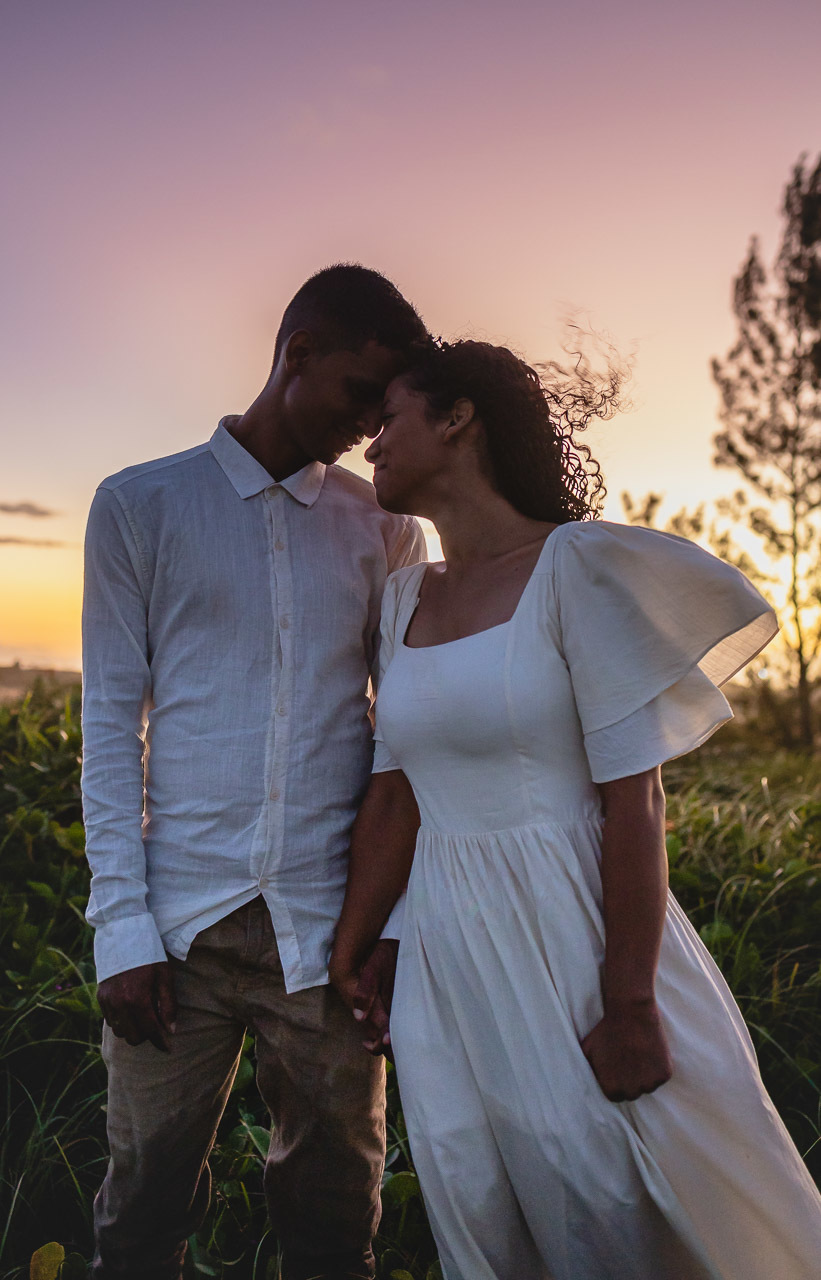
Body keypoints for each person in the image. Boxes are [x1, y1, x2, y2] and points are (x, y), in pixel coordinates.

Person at [329, 338, 821, 1280]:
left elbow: (634, 800)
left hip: (575, 936)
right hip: (446, 952)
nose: (370, 444)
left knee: (613, 1197)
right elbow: (397, 792)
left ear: (456, 418)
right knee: (478, 1195)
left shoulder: (573, 569)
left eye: (388, 417)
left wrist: (631, 1001)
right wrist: (361, 946)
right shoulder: (401, 602)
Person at [81, 264, 429, 1280]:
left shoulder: (386, 527)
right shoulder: (139, 504)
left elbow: (401, 741)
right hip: (175, 929)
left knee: (335, 1227)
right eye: (359, 390)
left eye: (389, 402)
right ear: (298, 351)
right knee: (138, 1217)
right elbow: (109, 720)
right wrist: (121, 928)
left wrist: (390, 929)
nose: (372, 421)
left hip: (329, 937)